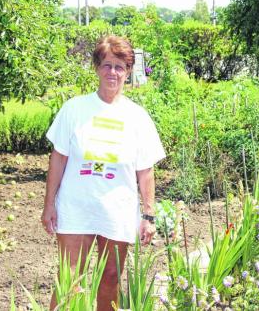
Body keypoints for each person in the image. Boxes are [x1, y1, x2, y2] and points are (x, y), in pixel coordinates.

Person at [41, 35, 165, 311]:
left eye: (120, 67)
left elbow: (145, 171)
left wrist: (148, 215)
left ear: (128, 71)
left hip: (117, 210)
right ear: (97, 68)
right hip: (76, 207)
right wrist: (49, 204)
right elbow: (58, 158)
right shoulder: (74, 109)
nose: (113, 72)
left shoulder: (138, 117)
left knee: (110, 279)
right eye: (107, 65)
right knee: (69, 279)